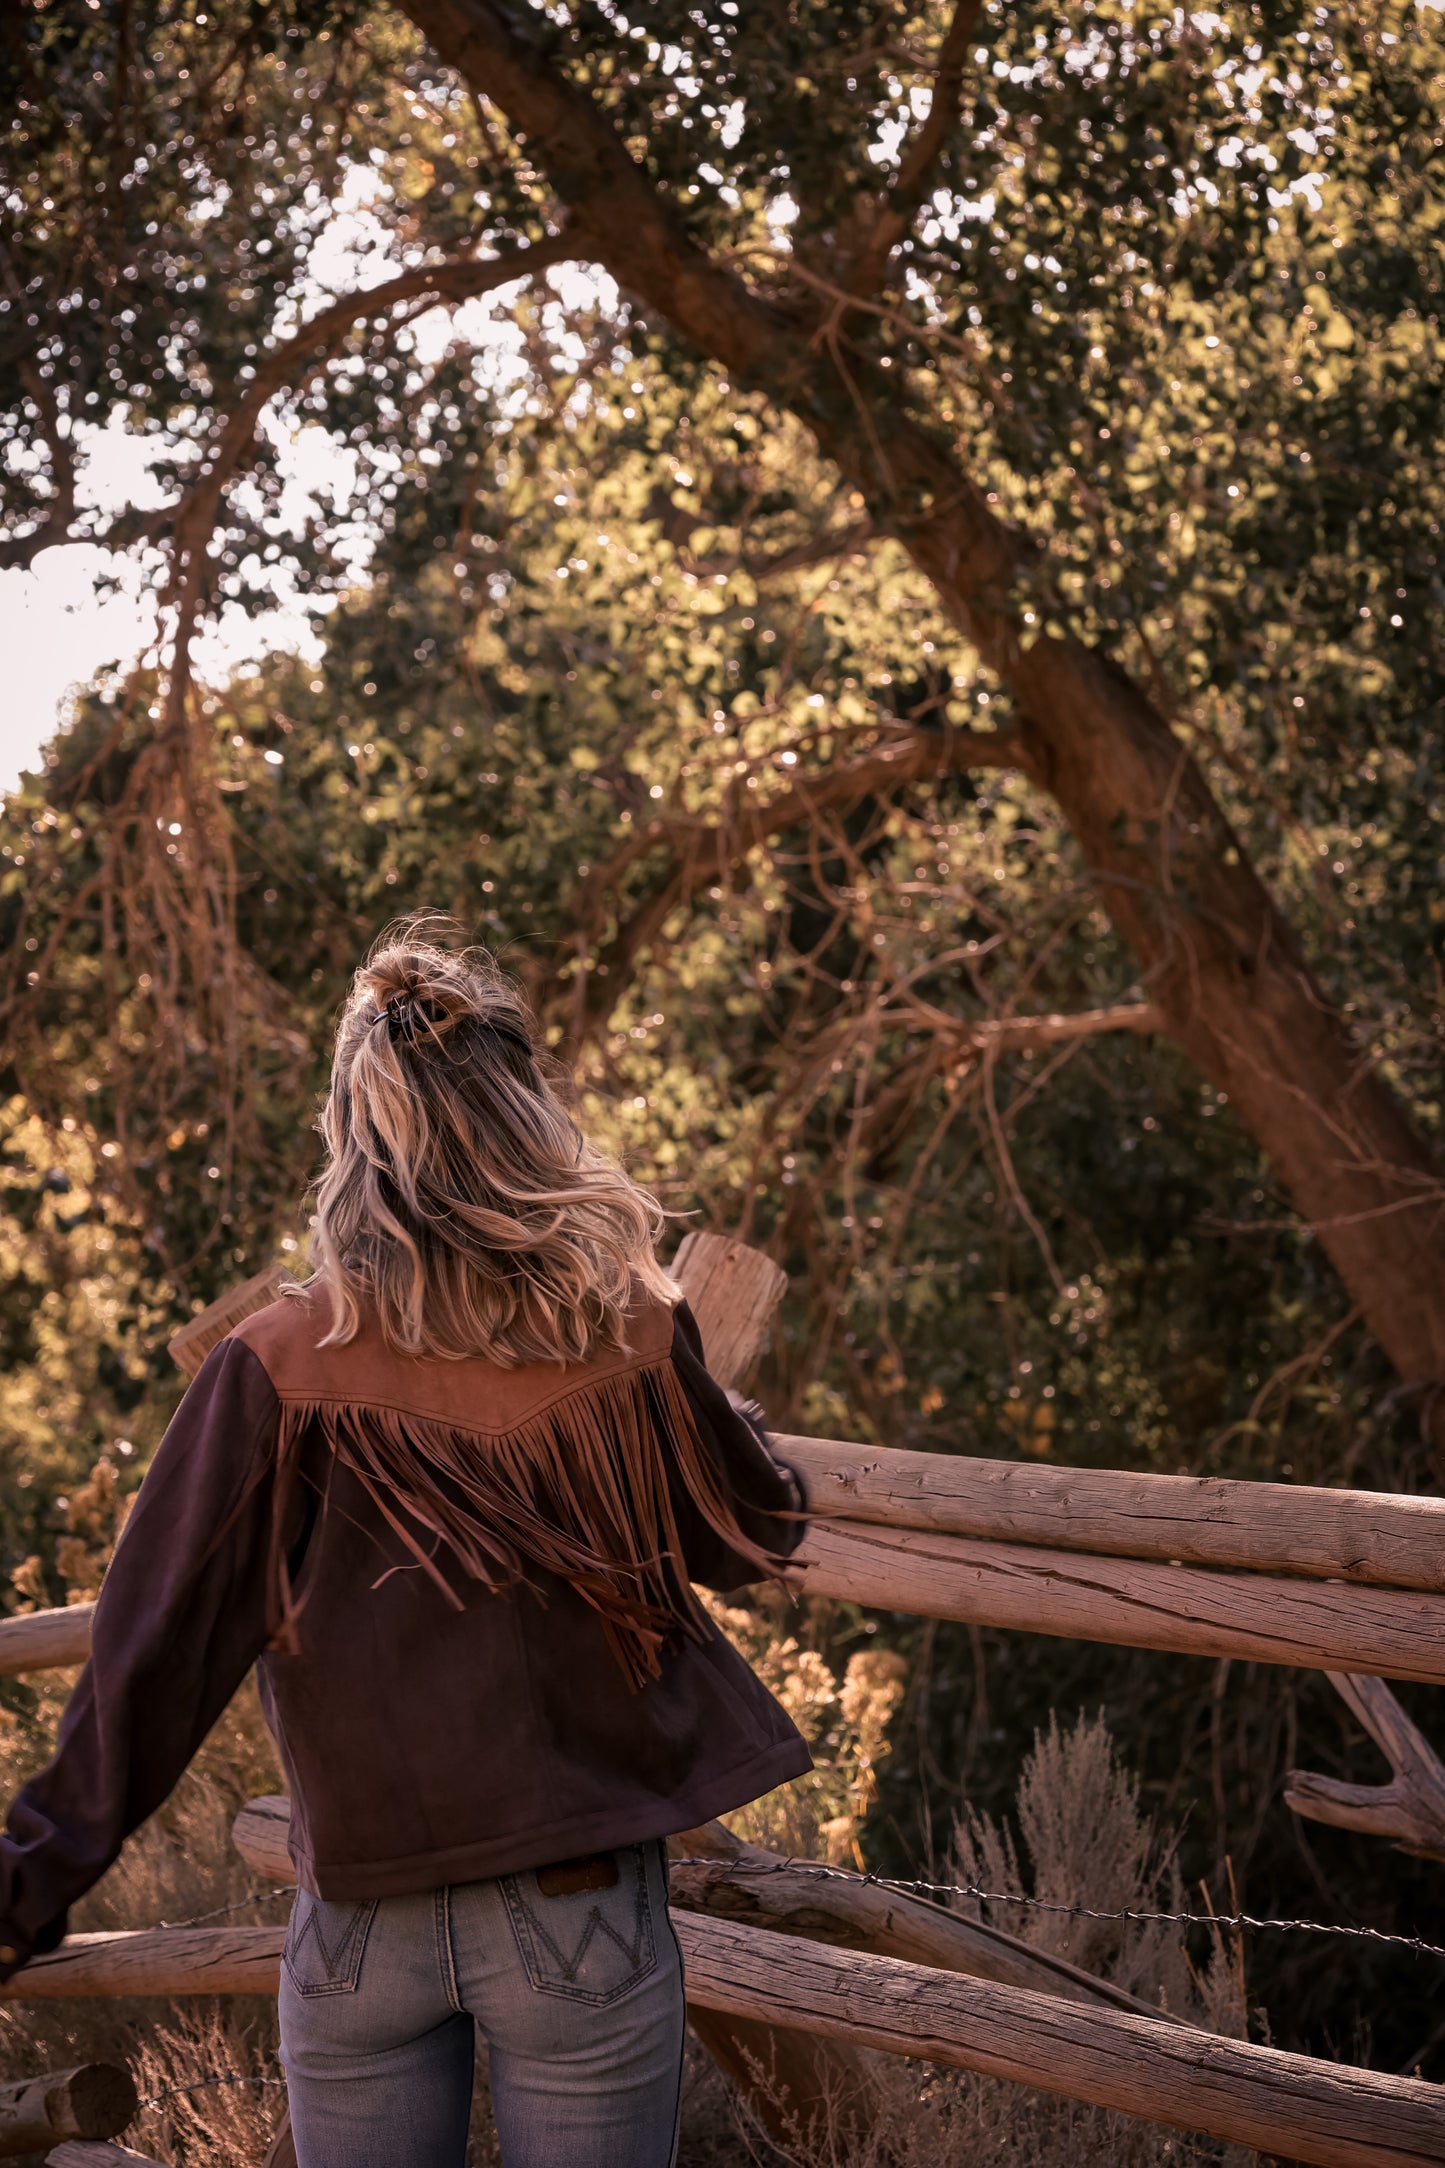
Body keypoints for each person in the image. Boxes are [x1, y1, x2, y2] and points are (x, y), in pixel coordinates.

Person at [0, 926, 811, 2168]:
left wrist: (28, 1881)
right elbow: (748, 1532)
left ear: (351, 1141)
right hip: (578, 1905)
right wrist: (722, 1418)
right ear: (523, 1119)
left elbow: (152, 1648)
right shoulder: (630, 1329)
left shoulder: (278, 1363)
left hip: (360, 1918)